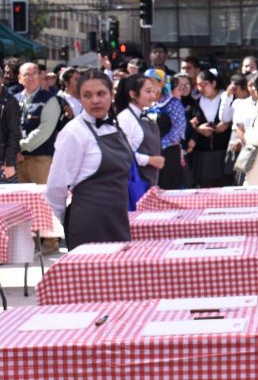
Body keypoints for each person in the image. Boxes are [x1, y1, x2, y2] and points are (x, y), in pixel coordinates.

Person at [46, 69, 133, 250]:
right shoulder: (73, 132)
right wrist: (66, 221)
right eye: (87, 95)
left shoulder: (116, 126)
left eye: (101, 94)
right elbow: (56, 186)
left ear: (111, 95)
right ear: (79, 98)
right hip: (88, 221)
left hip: (118, 217)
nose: (95, 100)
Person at [115, 73, 165, 188]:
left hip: (147, 182)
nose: (153, 96)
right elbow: (123, 154)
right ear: (133, 94)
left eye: (153, 91)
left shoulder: (142, 115)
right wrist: (150, 160)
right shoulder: (126, 118)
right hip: (133, 185)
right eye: (148, 91)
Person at [16, 61, 62, 187]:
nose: (31, 78)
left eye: (34, 74)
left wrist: (19, 147)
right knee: (18, 198)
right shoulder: (14, 99)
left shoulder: (49, 99)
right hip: (17, 160)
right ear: (19, 78)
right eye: (27, 74)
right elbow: (7, 126)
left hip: (40, 160)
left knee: (43, 198)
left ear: (40, 77)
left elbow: (44, 131)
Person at [187, 69, 232, 188]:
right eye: (198, 85)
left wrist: (227, 124)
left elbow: (239, 119)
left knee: (225, 188)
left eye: (204, 84)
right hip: (203, 155)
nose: (200, 88)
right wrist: (198, 129)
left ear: (214, 83)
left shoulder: (227, 99)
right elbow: (187, 125)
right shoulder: (195, 102)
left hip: (223, 152)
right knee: (206, 188)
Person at [151, 69, 188, 190]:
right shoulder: (147, 104)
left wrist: (159, 145)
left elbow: (178, 129)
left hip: (168, 153)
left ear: (162, 83)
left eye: (152, 82)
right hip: (149, 154)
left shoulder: (173, 103)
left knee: (168, 187)